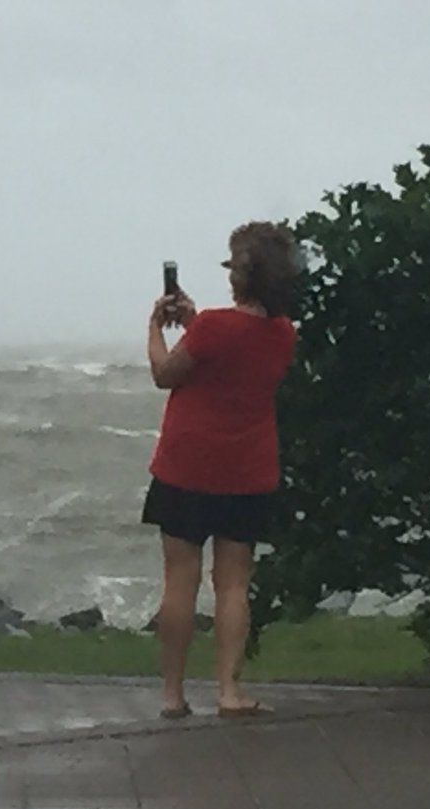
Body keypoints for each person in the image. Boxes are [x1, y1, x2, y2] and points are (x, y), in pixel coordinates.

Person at [142, 221, 300, 719]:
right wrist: (193, 319)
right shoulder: (282, 334)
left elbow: (167, 375)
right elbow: (233, 350)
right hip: (247, 469)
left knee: (180, 581)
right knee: (233, 583)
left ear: (245, 273)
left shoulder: (212, 326)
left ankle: (173, 694)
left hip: (187, 466)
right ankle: (230, 689)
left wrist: (155, 327)